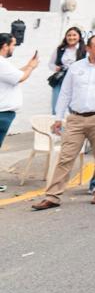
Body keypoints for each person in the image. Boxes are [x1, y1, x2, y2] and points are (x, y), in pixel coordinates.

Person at [31, 35, 95, 210]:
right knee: (66, 157)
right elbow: (65, 93)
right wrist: (58, 118)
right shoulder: (76, 67)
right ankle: (53, 196)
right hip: (76, 119)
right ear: (88, 49)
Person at [0, 33, 38, 188]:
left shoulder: (3, 64)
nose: (13, 48)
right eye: (13, 45)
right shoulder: (1, 63)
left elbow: (16, 73)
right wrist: (31, 67)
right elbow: (20, 77)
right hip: (2, 113)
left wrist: (28, 66)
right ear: (5, 46)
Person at [48, 26, 86, 112]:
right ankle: (58, 125)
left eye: (74, 35)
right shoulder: (60, 49)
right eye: (69, 35)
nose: (71, 37)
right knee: (56, 108)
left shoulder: (84, 50)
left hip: (76, 82)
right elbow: (50, 64)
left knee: (74, 109)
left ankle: (72, 125)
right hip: (60, 81)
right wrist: (56, 68)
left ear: (79, 37)